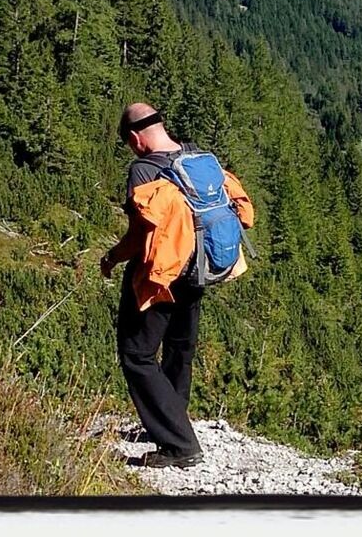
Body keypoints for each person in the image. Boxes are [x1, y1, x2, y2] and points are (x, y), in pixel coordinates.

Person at [100, 102, 255, 469]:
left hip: (163, 276)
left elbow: (141, 236)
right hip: (200, 269)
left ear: (136, 138)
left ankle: (179, 445)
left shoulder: (144, 171)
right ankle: (172, 423)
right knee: (179, 350)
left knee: (137, 354)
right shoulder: (196, 157)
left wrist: (111, 258)